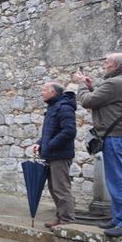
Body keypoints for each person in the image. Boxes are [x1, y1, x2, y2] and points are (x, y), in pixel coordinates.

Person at [76, 52, 122, 237]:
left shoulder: (113, 83)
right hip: (118, 136)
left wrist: (81, 85)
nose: (104, 65)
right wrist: (91, 85)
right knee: (117, 179)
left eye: (107, 62)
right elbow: (106, 95)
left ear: (117, 66)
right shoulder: (116, 82)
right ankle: (117, 218)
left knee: (117, 180)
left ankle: (121, 222)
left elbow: (88, 101)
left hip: (115, 138)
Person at [31, 82, 77, 229]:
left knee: (61, 188)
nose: (42, 93)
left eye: (44, 90)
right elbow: (49, 131)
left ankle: (67, 221)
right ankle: (60, 217)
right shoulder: (53, 107)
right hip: (52, 154)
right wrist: (40, 142)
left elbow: (69, 132)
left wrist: (49, 145)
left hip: (60, 155)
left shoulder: (64, 108)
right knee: (54, 188)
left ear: (54, 92)